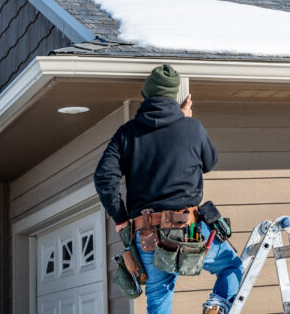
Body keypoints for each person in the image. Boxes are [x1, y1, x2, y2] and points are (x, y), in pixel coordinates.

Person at [94, 64, 243, 314]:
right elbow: (210, 162)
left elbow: (104, 178)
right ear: (174, 95)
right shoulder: (191, 128)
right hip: (191, 228)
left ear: (146, 94)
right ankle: (217, 304)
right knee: (231, 267)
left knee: (159, 296)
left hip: (148, 233)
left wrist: (120, 219)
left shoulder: (127, 134)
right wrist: (185, 123)